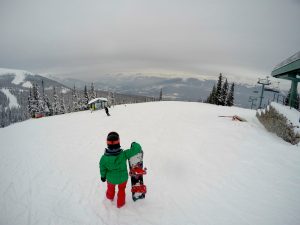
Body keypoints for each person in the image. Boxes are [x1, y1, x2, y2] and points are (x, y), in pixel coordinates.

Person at [99, 132, 142, 208]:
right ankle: (120, 203)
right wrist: (134, 144)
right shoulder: (124, 154)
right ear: (118, 143)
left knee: (110, 188)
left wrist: (103, 176)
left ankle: (109, 198)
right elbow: (137, 149)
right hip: (123, 178)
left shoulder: (104, 158)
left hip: (111, 179)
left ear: (107, 144)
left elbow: (102, 168)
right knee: (121, 190)